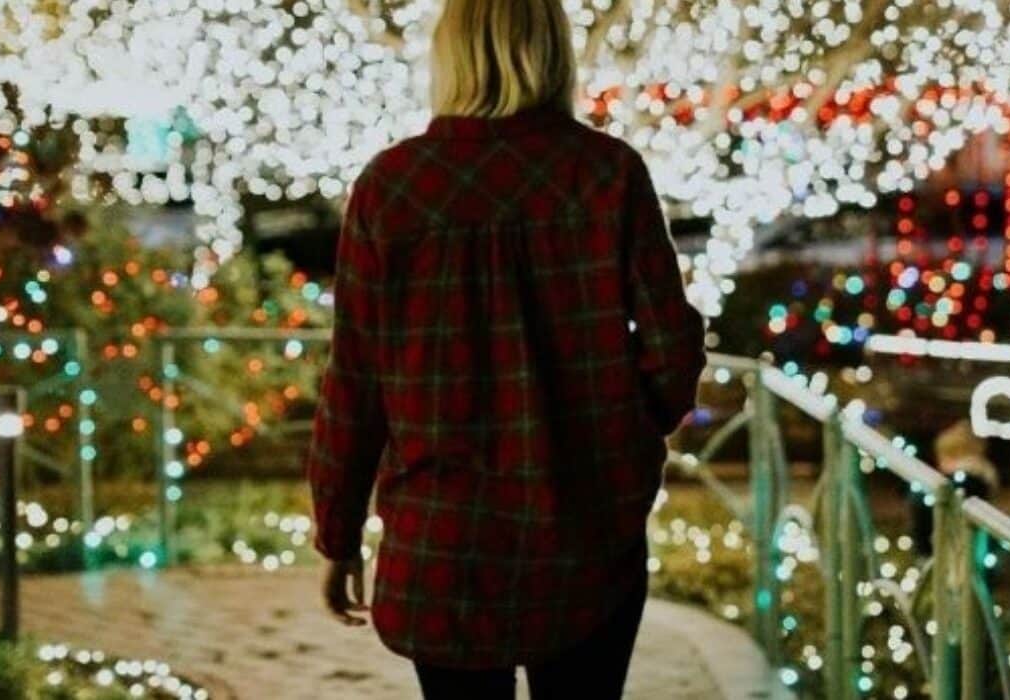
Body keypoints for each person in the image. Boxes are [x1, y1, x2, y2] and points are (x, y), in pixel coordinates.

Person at [303, 1, 707, 698]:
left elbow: (355, 384)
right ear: (552, 52)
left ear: (450, 54)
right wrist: (624, 427)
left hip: (443, 539)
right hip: (588, 532)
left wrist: (337, 534)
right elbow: (671, 347)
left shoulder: (390, 188)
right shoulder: (607, 173)